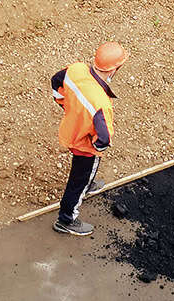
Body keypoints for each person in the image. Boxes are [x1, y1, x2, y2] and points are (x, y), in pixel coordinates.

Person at [49, 42, 127, 236]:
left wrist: (67, 106)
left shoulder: (76, 70)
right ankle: (66, 219)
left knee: (82, 175)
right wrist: (94, 147)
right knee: (78, 180)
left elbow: (55, 81)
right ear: (113, 69)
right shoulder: (100, 103)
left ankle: (88, 183)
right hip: (84, 146)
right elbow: (104, 138)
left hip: (71, 131)